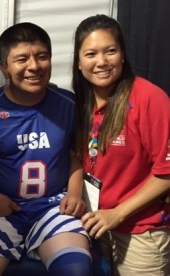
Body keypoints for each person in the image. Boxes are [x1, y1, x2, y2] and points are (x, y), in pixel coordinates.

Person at [0, 22, 91, 276]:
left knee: (76, 270)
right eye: (22, 59)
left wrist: (74, 194)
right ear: (4, 68)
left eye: (41, 56)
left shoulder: (68, 104)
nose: (34, 66)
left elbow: (74, 155)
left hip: (53, 204)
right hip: (2, 205)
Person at [72, 14, 170, 275]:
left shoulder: (149, 98)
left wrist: (117, 213)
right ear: (79, 62)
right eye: (91, 54)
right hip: (96, 225)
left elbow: (166, 172)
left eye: (111, 51)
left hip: (141, 231)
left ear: (123, 55)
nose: (102, 62)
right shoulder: (81, 102)